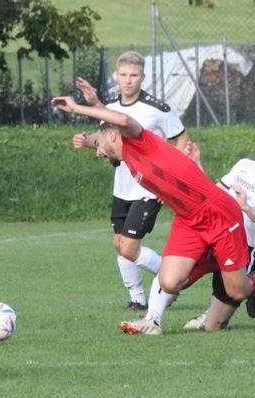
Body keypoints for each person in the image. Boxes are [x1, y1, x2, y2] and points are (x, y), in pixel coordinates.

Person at [52, 95, 255, 336]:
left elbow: (120, 119)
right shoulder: (127, 159)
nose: (99, 153)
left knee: (237, 291)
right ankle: (209, 264)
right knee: (169, 282)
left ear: (113, 136)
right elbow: (107, 131)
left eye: (99, 146)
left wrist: (78, 107)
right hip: (189, 221)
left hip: (219, 215)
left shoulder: (139, 141)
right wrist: (89, 140)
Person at [74, 51, 190, 313]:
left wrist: (169, 180)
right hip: (122, 186)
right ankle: (138, 298)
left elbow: (182, 140)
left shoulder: (158, 109)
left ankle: (173, 278)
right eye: (124, 75)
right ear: (117, 75)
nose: (128, 80)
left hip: (148, 189)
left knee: (128, 246)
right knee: (120, 246)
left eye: (134, 75)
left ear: (143, 77)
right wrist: (86, 141)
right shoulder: (110, 107)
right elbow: (104, 138)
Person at [181, 118, 255, 332]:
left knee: (212, 328)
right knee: (176, 280)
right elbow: (212, 194)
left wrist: (245, 207)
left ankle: (253, 286)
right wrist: (196, 164)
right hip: (213, 239)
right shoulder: (245, 165)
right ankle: (152, 318)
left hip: (241, 250)